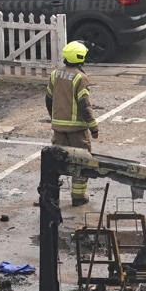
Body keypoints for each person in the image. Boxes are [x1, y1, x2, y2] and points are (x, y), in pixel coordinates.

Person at [46, 40, 99, 206]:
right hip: (77, 129)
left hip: (59, 128)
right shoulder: (80, 77)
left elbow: (48, 99)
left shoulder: (55, 74)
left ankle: (48, 196)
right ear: (81, 58)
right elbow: (84, 105)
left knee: (55, 162)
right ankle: (78, 197)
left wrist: (55, 118)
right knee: (81, 162)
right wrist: (93, 127)